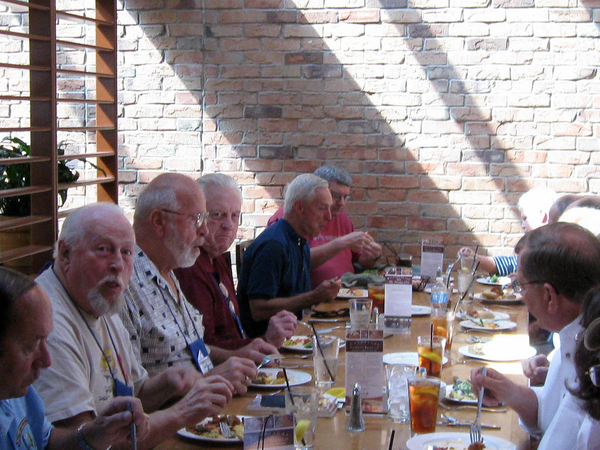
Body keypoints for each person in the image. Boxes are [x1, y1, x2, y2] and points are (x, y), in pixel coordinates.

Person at [32, 203, 233, 450]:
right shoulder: (47, 322)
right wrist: (182, 412)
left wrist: (173, 381)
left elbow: (133, 393)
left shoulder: (99, 297)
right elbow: (88, 441)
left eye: (127, 252)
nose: (118, 264)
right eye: (104, 250)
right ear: (65, 254)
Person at [119, 173, 277, 393]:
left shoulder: (168, 267)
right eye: (196, 219)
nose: (203, 231)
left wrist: (237, 356)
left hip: (210, 403)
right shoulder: (125, 284)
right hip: (180, 418)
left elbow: (192, 348)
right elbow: (130, 394)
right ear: (158, 222)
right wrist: (210, 378)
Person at [470, 222, 600, 444]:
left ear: (549, 296)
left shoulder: (593, 363)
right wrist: (508, 391)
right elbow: (549, 419)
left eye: (521, 286)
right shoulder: (570, 342)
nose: (521, 295)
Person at [0, 266, 150, 450]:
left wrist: (94, 433)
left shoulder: (18, 392)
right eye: (31, 346)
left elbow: (46, 442)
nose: (46, 361)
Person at [174, 173, 298, 349]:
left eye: (234, 215)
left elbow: (234, 329)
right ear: (196, 217)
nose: (228, 225)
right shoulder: (190, 267)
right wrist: (266, 341)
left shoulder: (217, 258)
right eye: (218, 215)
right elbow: (204, 348)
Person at [238, 173, 342, 337]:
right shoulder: (274, 245)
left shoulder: (298, 240)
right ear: (299, 207)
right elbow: (257, 309)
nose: (329, 217)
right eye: (322, 208)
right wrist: (314, 297)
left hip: (296, 336)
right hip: (268, 348)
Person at [268, 165, 382, 287]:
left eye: (346, 197)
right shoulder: (292, 217)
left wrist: (371, 256)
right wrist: (341, 243)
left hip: (347, 292)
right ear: (318, 190)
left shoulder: (341, 217)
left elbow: (360, 262)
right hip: (311, 299)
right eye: (336, 196)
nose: (342, 203)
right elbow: (292, 262)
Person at [459, 187, 557, 275]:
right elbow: (511, 264)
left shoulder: (552, 250)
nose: (522, 225)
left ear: (542, 216)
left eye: (525, 218)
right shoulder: (541, 246)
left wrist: (522, 283)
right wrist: (475, 258)